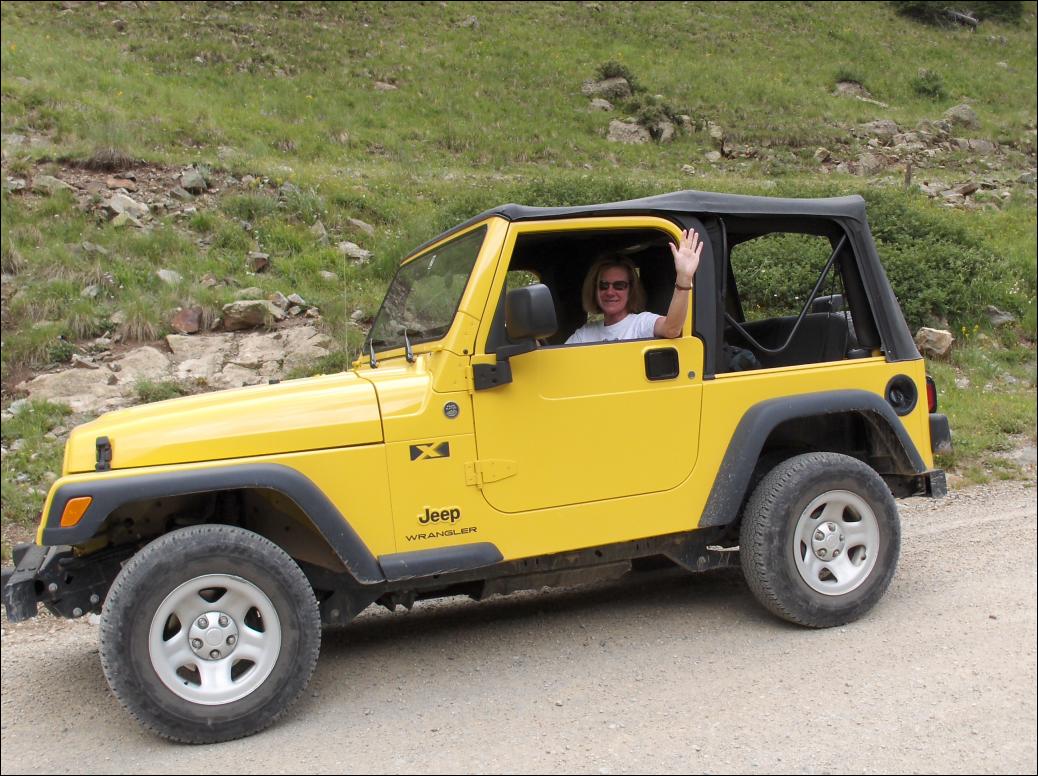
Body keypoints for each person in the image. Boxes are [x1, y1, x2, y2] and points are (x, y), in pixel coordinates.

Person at [565, 228, 703, 344]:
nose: (610, 292)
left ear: (631, 290)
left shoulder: (641, 323)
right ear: (594, 290)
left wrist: (684, 278)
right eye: (603, 285)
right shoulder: (584, 334)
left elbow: (672, 329)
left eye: (619, 285)